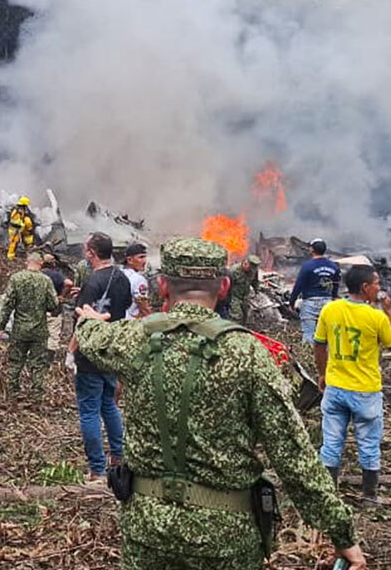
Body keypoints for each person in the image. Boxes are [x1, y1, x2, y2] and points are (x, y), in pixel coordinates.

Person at [74, 238, 365, 570]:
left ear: (163, 285)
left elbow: (94, 338)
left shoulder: (133, 339)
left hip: (148, 532)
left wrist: (88, 320)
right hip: (226, 538)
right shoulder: (248, 353)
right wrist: (342, 534)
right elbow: (293, 456)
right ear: (224, 287)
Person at [313, 264, 391, 502]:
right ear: (365, 287)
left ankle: (328, 495)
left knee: (330, 443)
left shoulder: (330, 310)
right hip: (365, 392)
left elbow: (319, 345)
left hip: (335, 388)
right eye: (377, 283)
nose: (379, 288)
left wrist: (322, 374)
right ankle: (370, 496)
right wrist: (389, 312)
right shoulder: (376, 317)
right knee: (369, 445)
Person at [67, 232, 131, 480]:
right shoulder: (122, 278)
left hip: (90, 354)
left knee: (90, 410)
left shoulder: (92, 282)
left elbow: (82, 321)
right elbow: (122, 308)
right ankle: (118, 456)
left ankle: (96, 469)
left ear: (91, 253)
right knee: (109, 404)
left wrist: (71, 351)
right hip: (111, 351)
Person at [0, 253, 59, 395]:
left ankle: (13, 390)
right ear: (41, 264)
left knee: (16, 360)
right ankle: (36, 392)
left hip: (20, 328)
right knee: (38, 362)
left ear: (27, 262)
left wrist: (2, 326)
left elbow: (7, 305)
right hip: (39, 329)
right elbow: (53, 304)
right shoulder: (46, 281)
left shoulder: (16, 278)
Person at [289, 239, 341, 345]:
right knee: (327, 335)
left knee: (308, 334)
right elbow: (336, 283)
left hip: (309, 303)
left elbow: (298, 285)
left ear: (312, 249)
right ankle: (326, 358)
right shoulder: (333, 266)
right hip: (327, 303)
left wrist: (292, 302)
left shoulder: (307, 266)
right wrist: (334, 296)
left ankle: (309, 358)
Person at [224, 254, 260, 325]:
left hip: (245, 297)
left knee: (245, 316)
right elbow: (227, 285)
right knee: (236, 316)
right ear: (245, 263)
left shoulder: (253, 271)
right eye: (250, 267)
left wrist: (256, 291)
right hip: (234, 297)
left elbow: (255, 281)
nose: (251, 271)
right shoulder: (233, 271)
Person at [119, 243, 151, 319]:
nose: (144, 261)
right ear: (130, 260)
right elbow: (144, 308)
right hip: (131, 322)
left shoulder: (117, 274)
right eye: (141, 257)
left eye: (145, 257)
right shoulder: (138, 279)